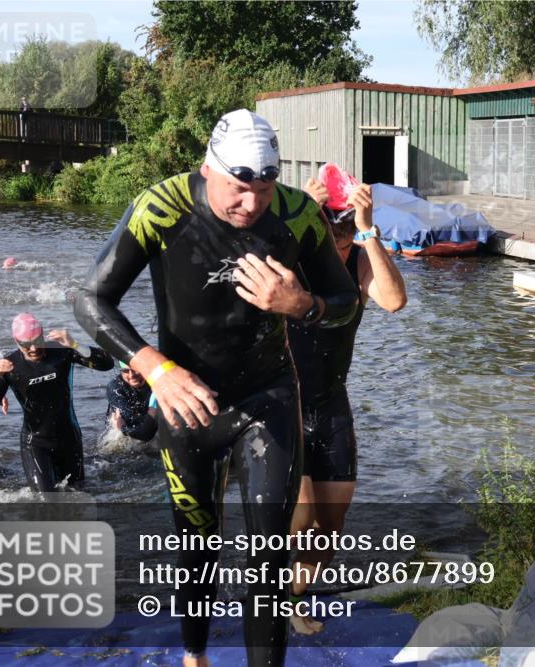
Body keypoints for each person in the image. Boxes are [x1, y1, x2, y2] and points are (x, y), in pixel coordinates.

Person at [73, 108, 358, 667]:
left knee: (268, 559)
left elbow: (345, 303)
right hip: (187, 404)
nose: (251, 205)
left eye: (264, 188)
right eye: (236, 187)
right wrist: (155, 367)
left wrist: (304, 306)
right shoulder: (163, 207)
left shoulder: (298, 217)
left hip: (267, 400)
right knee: (195, 546)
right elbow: (89, 299)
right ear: (209, 168)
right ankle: (195, 655)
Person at [287, 178, 407, 634]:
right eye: (328, 231)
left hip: (332, 406)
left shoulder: (358, 259)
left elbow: (394, 300)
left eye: (343, 234)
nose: (336, 246)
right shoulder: (294, 259)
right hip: (285, 406)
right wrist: (299, 217)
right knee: (299, 517)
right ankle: (275, 597)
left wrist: (367, 230)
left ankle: (293, 594)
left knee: (330, 524)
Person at [0, 313, 113, 492]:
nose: (33, 348)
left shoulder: (60, 351)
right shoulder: (9, 366)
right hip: (36, 443)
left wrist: (75, 344)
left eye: (37, 341)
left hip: (69, 439)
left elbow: (107, 364)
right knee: (45, 499)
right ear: (16, 341)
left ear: (43, 335)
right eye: (26, 344)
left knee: (76, 494)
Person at [106, 362, 157, 442]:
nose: (131, 375)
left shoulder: (156, 381)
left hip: (146, 426)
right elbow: (129, 419)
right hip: (122, 429)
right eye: (126, 371)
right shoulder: (115, 387)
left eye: (135, 369)